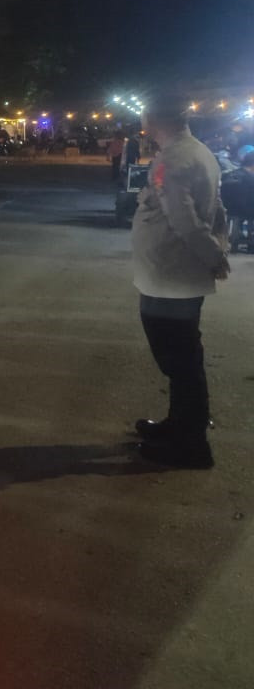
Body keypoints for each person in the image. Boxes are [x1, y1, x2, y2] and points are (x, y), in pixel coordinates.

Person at [131, 94, 228, 469]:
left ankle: (191, 445)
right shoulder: (197, 151)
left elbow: (185, 219)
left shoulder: (172, 160)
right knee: (182, 358)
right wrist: (216, 251)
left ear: (151, 117)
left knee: (179, 360)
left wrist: (214, 257)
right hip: (173, 274)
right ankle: (180, 426)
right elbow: (217, 209)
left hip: (170, 276)